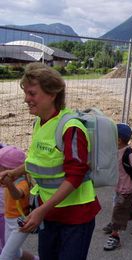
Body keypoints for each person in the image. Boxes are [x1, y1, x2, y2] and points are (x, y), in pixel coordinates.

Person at [0, 63, 101, 259]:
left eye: (32, 94)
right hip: (49, 213)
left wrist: (41, 211)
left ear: (52, 93)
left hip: (75, 216)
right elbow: (37, 160)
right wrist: (15, 173)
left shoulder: (71, 127)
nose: (26, 99)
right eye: (26, 94)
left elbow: (75, 176)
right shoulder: (40, 122)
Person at [103, 124, 132, 251]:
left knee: (118, 211)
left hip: (126, 189)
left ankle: (115, 236)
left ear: (119, 139)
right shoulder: (115, 150)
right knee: (129, 208)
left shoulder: (128, 154)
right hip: (119, 187)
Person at [0, 146, 37, 260]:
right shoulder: (7, 182)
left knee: (5, 257)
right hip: (8, 220)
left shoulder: (23, 183)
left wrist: (9, 184)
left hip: (19, 224)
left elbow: (16, 195)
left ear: (9, 169)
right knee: (15, 254)